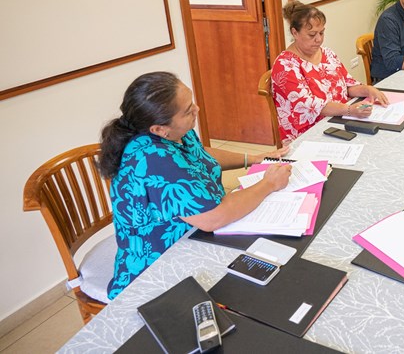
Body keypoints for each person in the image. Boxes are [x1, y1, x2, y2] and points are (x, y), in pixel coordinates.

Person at [98, 72, 292, 300]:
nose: (197, 110)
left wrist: (254, 158)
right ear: (159, 129)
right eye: (188, 110)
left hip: (195, 233)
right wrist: (269, 184)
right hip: (158, 264)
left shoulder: (177, 132)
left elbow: (201, 155)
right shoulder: (153, 158)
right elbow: (213, 217)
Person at [272, 0, 388, 143]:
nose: (318, 39)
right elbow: (310, 106)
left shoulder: (327, 53)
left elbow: (347, 84)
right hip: (309, 132)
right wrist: (349, 110)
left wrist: (368, 90)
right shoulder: (285, 65)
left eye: (321, 33)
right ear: (294, 32)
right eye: (312, 34)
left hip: (338, 120)